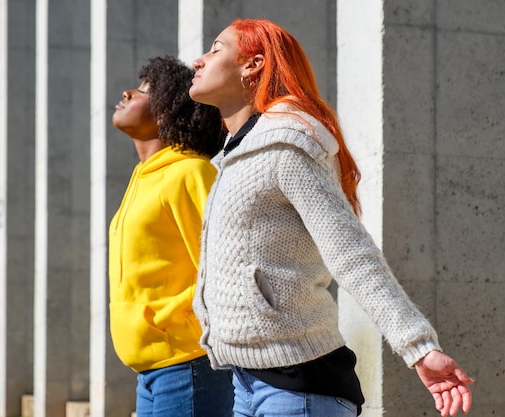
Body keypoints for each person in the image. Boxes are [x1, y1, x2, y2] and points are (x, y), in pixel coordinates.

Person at [188, 18, 474, 417]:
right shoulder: (238, 155)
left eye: (215, 49)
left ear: (252, 64)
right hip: (247, 384)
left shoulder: (286, 143)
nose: (198, 61)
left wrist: (418, 347)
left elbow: (350, 252)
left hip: (298, 390)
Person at [109, 55, 233, 417]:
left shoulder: (190, 173)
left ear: (169, 109)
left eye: (147, 90)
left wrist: (172, 322)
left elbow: (222, 270)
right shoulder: (144, 178)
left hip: (188, 365)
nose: (128, 92)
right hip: (151, 371)